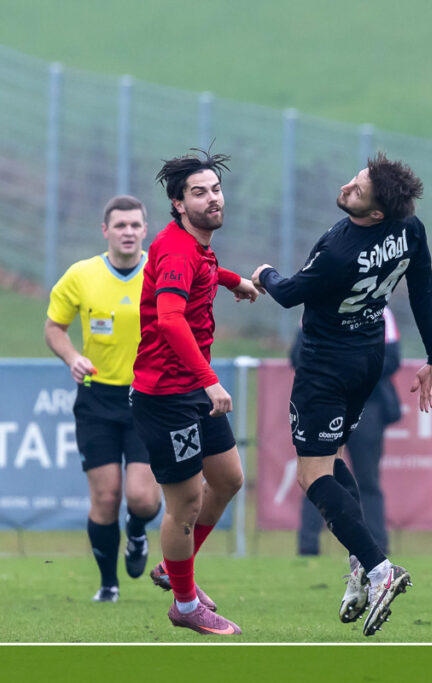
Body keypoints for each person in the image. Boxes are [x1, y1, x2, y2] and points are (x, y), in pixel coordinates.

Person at [251, 151, 432, 637]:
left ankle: (379, 569)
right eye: (354, 179)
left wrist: (264, 273)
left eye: (356, 190)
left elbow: (288, 293)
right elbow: (423, 285)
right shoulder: (409, 229)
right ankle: (361, 565)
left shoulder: (341, 251)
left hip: (325, 366)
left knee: (311, 475)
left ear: (376, 213)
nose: (345, 188)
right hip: (366, 359)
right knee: (333, 458)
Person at [130, 148, 260, 635]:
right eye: (199, 193)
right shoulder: (178, 249)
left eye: (216, 190)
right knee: (184, 503)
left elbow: (201, 272)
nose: (213, 199)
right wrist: (209, 380)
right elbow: (168, 319)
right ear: (178, 204)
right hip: (168, 397)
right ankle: (184, 605)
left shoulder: (196, 245)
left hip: (191, 389)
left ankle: (173, 569)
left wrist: (232, 280)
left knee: (226, 480)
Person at [44, 195, 163, 603]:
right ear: (105, 230)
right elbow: (54, 328)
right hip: (97, 399)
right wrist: (72, 357)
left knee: (142, 498)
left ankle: (137, 531)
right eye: (120, 225)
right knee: (106, 496)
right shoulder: (81, 275)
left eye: (134, 225)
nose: (127, 232)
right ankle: (108, 585)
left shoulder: (159, 272)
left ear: (145, 230)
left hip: (147, 397)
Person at [294, 306, 402, 556]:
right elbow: (297, 354)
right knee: (316, 475)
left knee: (368, 479)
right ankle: (308, 546)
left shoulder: (381, 309)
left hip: (368, 406)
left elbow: (393, 358)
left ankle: (377, 547)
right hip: (324, 404)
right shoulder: (317, 304)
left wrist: (350, 370)